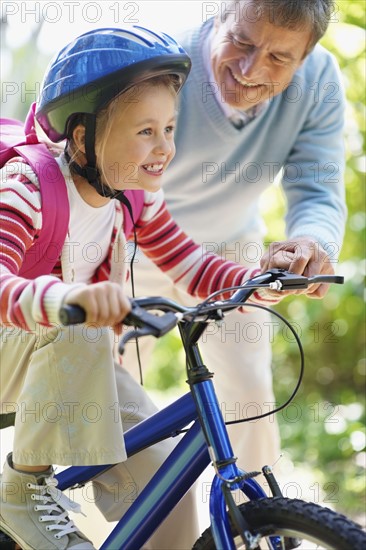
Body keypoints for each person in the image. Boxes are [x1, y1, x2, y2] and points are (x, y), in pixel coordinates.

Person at [0, 26, 284, 550]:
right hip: (13, 349)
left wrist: (262, 280)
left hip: (69, 355)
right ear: (83, 137)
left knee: (165, 490)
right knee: (80, 325)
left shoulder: (132, 196)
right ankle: (20, 490)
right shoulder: (29, 186)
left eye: (170, 128)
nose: (164, 149)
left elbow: (190, 264)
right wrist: (66, 299)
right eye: (145, 131)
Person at [124, 0, 347, 480]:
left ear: (305, 57)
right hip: (131, 243)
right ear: (219, 16)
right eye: (241, 43)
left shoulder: (320, 84)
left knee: (249, 395)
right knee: (117, 401)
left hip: (230, 248)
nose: (249, 71)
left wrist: (308, 242)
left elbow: (317, 187)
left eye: (278, 59)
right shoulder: (160, 66)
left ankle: (259, 521)